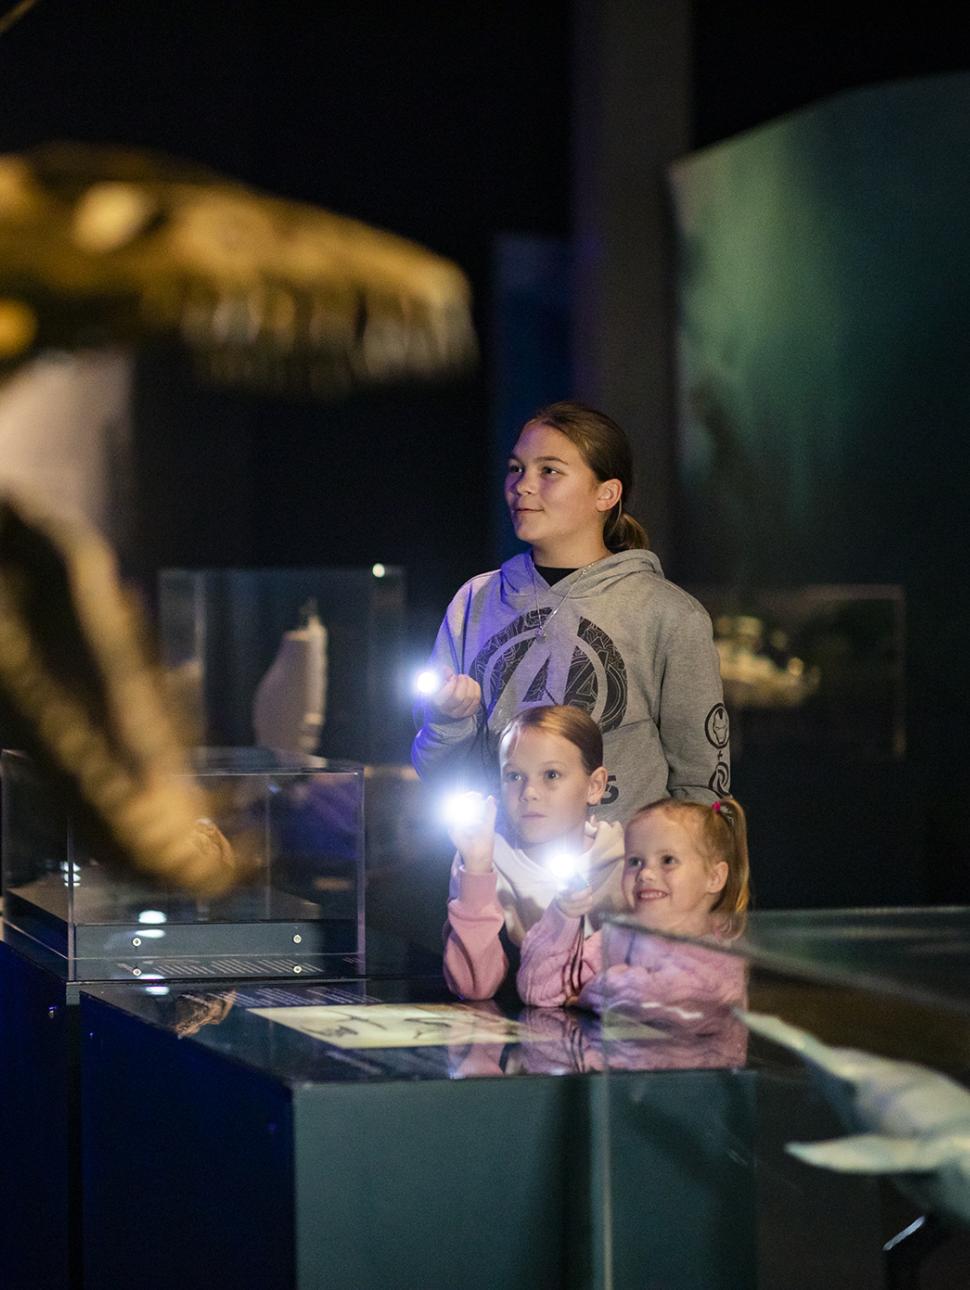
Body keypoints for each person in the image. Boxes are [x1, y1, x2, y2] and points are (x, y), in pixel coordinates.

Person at [412, 400, 729, 823]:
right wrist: (446, 721)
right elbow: (438, 774)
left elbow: (701, 783)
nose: (522, 485)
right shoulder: (476, 600)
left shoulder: (668, 614)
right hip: (497, 873)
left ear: (606, 493)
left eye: (549, 471)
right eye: (515, 468)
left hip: (620, 878)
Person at [442, 704, 625, 1000]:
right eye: (514, 776)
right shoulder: (483, 858)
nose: (529, 792)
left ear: (595, 785)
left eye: (551, 775)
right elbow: (473, 987)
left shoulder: (627, 862)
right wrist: (477, 869)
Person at [517, 796, 750, 1010]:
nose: (645, 874)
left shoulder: (719, 957)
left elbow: (662, 1002)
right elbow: (538, 991)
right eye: (635, 861)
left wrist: (589, 993)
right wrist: (563, 916)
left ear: (714, 877)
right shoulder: (616, 938)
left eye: (668, 860)